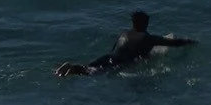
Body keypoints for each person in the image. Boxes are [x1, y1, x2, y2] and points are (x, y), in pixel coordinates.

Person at [56, 11, 195, 77]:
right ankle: (72, 68)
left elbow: (114, 48)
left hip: (107, 57)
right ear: (145, 23)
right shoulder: (148, 38)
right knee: (91, 74)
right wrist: (189, 42)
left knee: (88, 68)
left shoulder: (124, 33)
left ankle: (71, 67)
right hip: (118, 63)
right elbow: (174, 43)